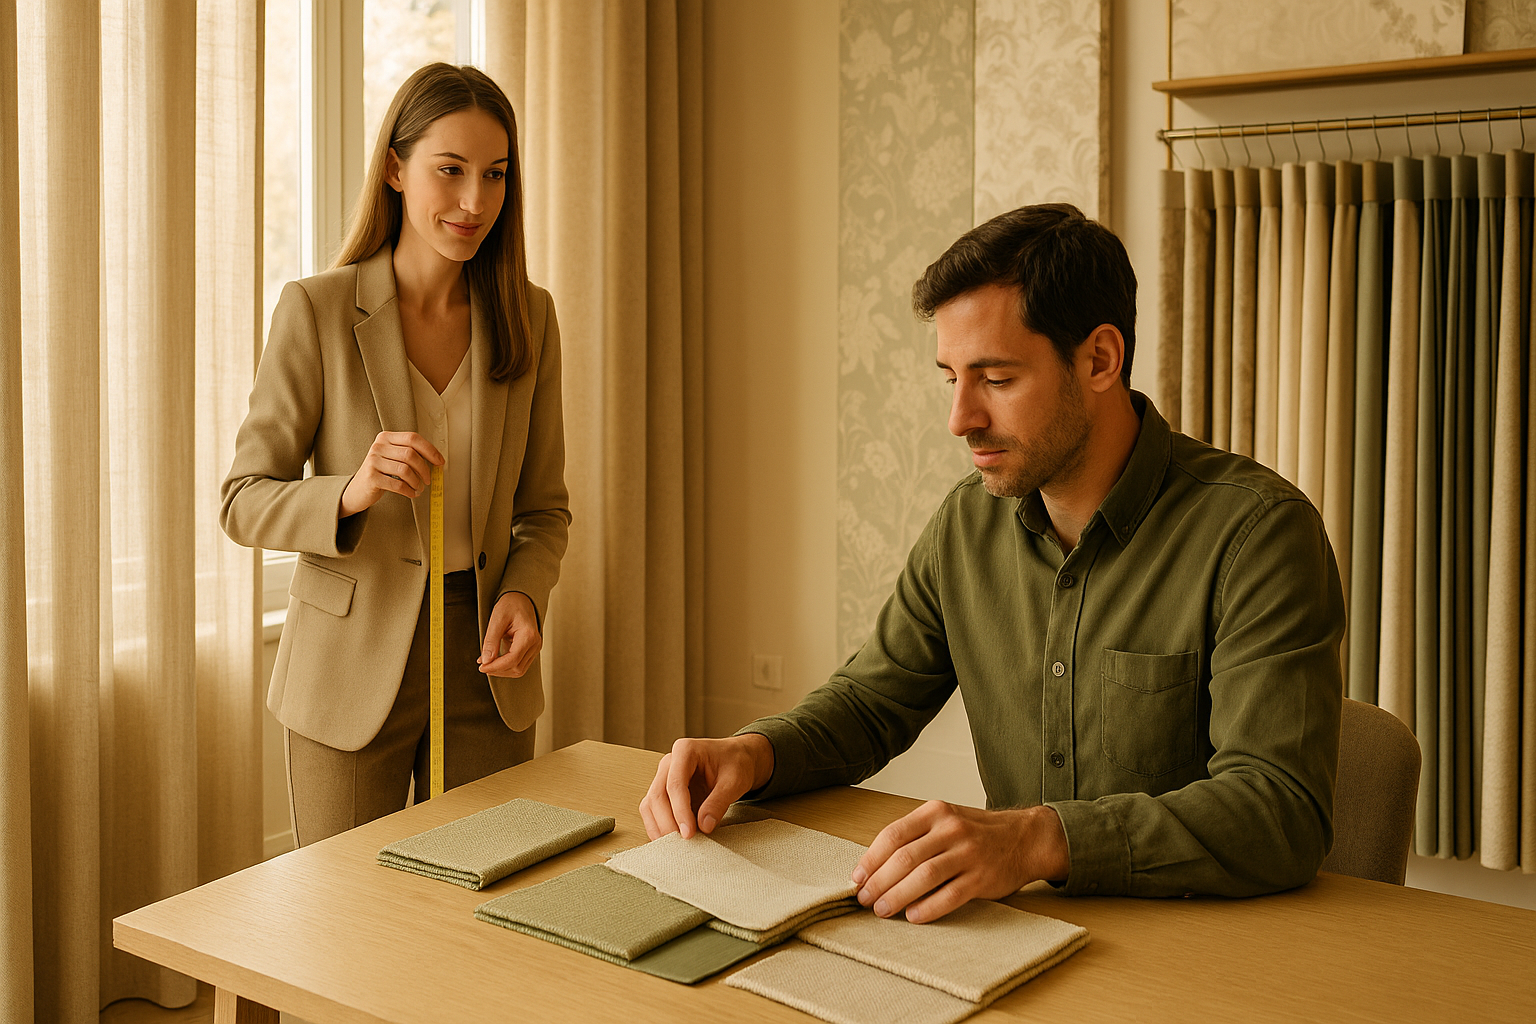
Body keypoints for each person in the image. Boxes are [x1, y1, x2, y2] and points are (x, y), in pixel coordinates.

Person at [640, 203, 1343, 920]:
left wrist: (1038, 840)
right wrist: (754, 753)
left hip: (1204, 944)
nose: (960, 419)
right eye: (951, 378)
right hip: (1019, 934)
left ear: (1100, 359)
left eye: (996, 380)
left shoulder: (1258, 534)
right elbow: (871, 701)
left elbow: (1280, 809)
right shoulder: (967, 522)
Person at [222, 63, 569, 846]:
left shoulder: (528, 318)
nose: (475, 201)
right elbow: (241, 498)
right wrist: (350, 491)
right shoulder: (315, 310)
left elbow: (543, 509)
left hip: (485, 659)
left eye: (495, 175)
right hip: (348, 663)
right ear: (395, 169)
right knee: (343, 925)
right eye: (450, 171)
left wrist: (526, 594)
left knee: (479, 915)